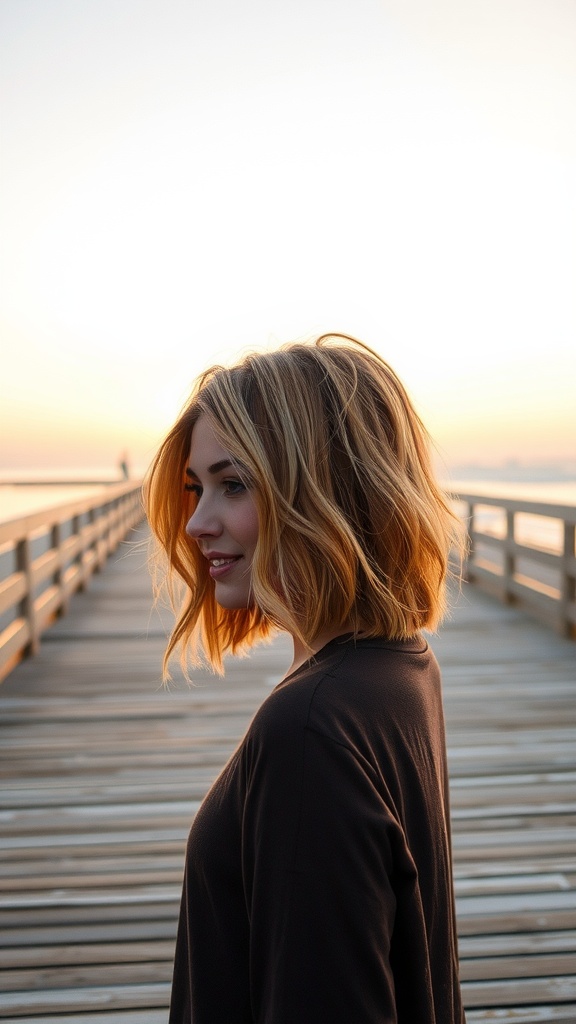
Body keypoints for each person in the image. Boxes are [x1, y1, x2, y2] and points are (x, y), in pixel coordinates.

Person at [145, 333, 465, 1024]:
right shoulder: (400, 666)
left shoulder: (312, 728)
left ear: (324, 491)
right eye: (197, 489)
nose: (197, 523)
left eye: (233, 485)